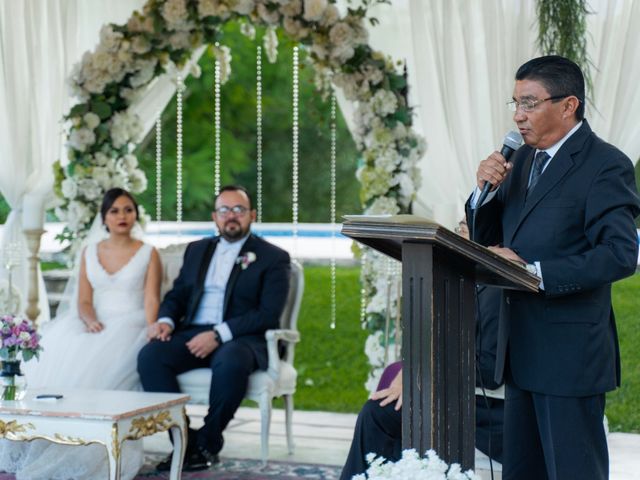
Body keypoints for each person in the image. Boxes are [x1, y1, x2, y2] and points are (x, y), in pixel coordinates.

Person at [467, 55, 640, 480]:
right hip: (519, 349)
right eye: (515, 104)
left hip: (569, 357)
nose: (518, 116)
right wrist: (483, 195)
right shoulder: (523, 159)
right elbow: (491, 240)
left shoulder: (606, 165)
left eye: (529, 103)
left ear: (568, 106)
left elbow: (620, 253)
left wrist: (535, 272)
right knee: (521, 472)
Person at [0, 187, 163, 480]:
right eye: (114, 211)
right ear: (104, 217)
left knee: (103, 363)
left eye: (128, 209)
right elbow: (84, 300)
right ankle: (44, 439)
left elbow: (152, 298)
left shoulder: (149, 252)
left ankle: (97, 449)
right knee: (56, 356)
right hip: (92, 320)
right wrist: (89, 321)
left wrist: (152, 327)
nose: (122, 216)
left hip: (132, 322)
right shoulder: (90, 251)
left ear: (136, 214)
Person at [137, 184, 291, 472]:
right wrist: (166, 320)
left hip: (242, 338)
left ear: (252, 215)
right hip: (193, 331)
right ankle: (184, 439)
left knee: (231, 360)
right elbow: (179, 293)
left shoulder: (273, 257)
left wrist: (219, 334)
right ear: (215, 216)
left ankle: (208, 442)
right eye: (224, 210)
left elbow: (268, 314)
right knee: (150, 356)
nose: (231, 216)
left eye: (238, 210)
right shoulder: (197, 250)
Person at [339, 219, 504, 479]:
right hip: (454, 392)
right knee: (383, 406)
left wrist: (421, 373)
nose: (457, 233)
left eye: (465, 226)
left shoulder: (497, 289)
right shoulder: (462, 280)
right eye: (459, 226)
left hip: (485, 410)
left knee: (379, 415)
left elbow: (489, 368)